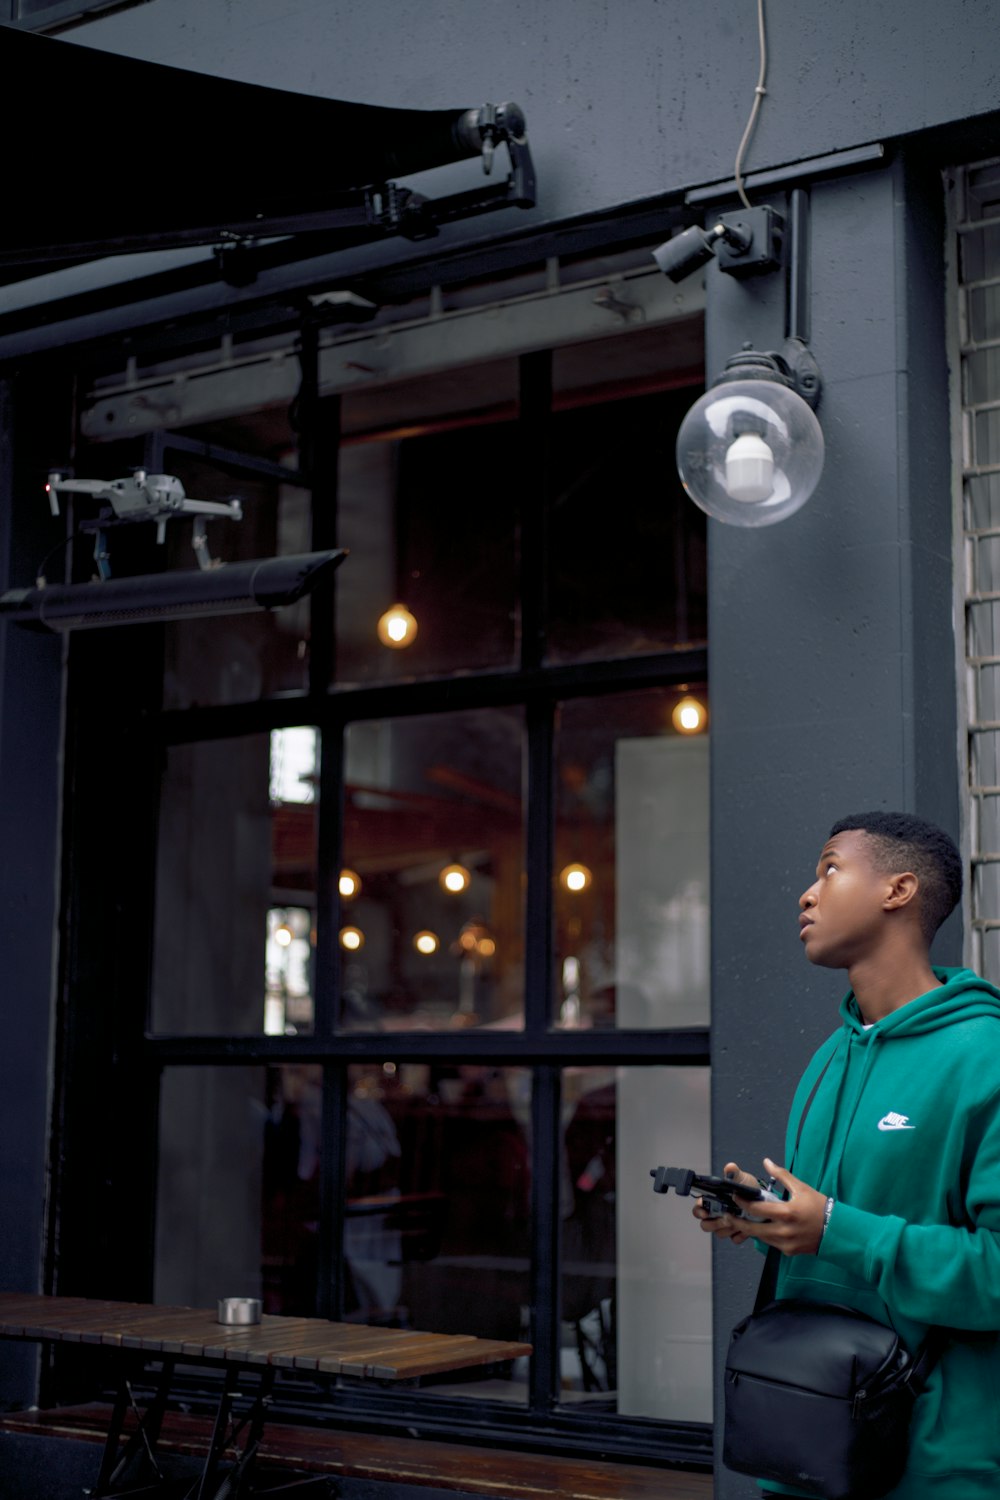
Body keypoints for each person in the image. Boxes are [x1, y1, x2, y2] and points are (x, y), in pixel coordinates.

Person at [696, 811, 1000, 1499]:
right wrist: (766, 1223)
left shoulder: (985, 1056)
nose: (807, 893)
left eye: (830, 868)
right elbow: (835, 1238)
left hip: (932, 1469)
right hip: (802, 1450)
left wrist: (835, 1229)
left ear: (898, 890)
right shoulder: (830, 1056)